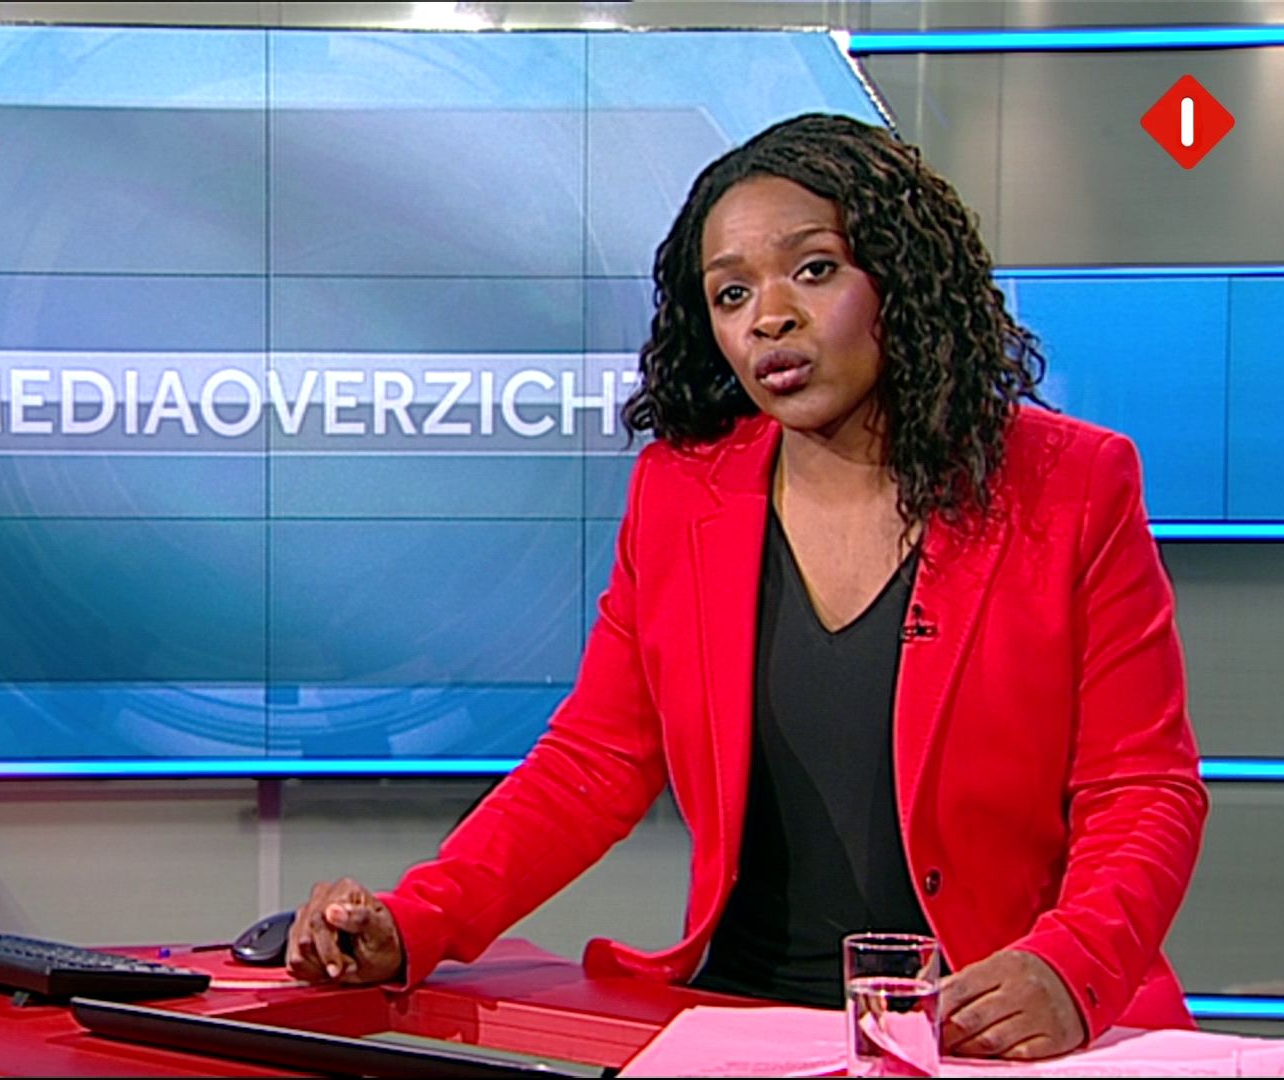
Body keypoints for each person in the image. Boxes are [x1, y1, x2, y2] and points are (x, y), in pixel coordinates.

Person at [285, 112, 1209, 1062]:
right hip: (746, 1024)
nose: (770, 317)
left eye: (814, 270)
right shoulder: (683, 493)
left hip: (991, 1029)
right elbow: (591, 764)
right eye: (732, 293)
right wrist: (418, 919)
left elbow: (1143, 787)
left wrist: (1068, 966)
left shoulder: (1068, 484)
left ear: (901, 280)